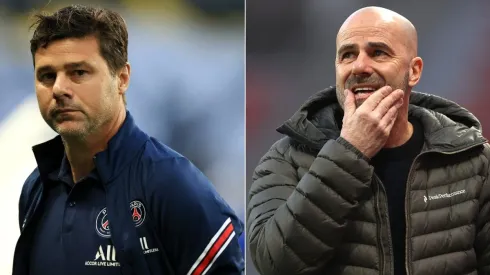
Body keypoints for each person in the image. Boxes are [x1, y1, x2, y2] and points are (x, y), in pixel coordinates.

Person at [247, 6, 490, 275]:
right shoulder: (285, 158)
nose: (360, 67)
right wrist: (350, 152)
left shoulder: (473, 160)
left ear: (414, 71)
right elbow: (273, 264)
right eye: (347, 55)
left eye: (378, 53)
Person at [12, 5, 244, 275]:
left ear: (122, 79)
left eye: (79, 73)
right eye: (47, 76)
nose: (60, 89)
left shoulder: (172, 184)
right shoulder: (36, 188)